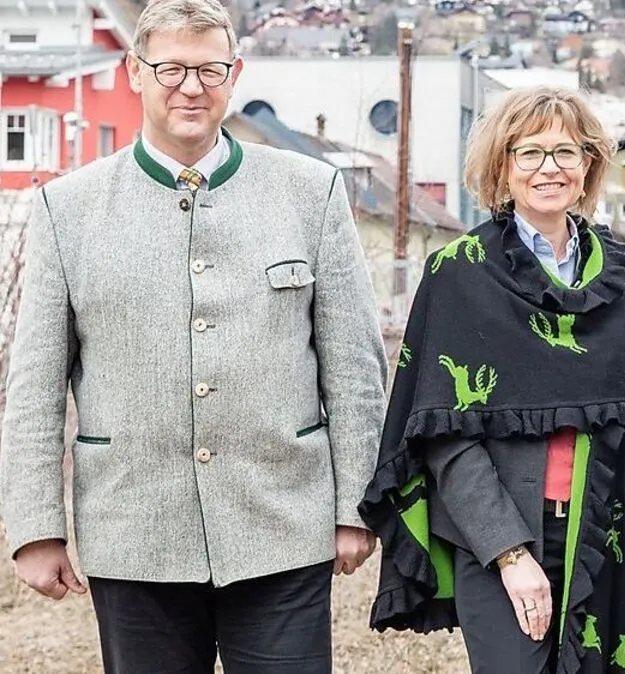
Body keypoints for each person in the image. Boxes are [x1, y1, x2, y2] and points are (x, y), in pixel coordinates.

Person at [0, 0, 386, 671]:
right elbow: (33, 388)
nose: (190, 87)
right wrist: (36, 528)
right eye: (171, 69)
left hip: (281, 524)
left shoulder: (309, 193)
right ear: (135, 73)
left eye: (209, 70)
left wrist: (356, 504)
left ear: (234, 75)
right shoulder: (69, 209)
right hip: (134, 529)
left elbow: (354, 369)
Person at [358, 86, 625, 674]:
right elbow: (444, 434)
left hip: (608, 539)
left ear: (588, 165)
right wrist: (507, 553)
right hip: (501, 539)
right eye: (530, 153)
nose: (549, 168)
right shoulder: (460, 275)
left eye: (565, 152)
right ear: (503, 165)